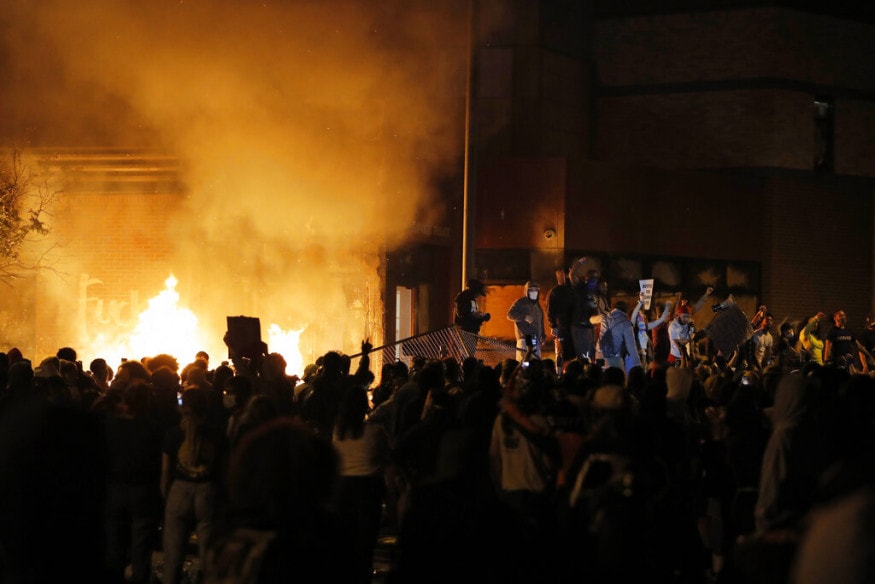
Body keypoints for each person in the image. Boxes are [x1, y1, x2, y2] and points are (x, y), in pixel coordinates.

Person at [506, 281, 546, 362]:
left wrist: (543, 335)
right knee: (524, 363)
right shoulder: (520, 302)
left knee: (536, 364)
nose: (534, 292)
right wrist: (524, 317)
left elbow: (540, 322)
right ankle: (523, 374)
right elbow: (509, 315)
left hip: (535, 340)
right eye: (531, 290)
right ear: (526, 291)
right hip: (524, 339)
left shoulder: (537, 306)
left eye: (536, 290)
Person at [599, 300, 642, 376]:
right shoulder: (626, 323)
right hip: (616, 357)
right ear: (625, 311)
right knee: (617, 382)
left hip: (601, 355)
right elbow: (631, 346)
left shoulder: (605, 319)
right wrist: (637, 363)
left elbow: (602, 337)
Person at [546, 267, 576, 373]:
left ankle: (567, 371)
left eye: (563, 274)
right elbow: (550, 310)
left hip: (569, 327)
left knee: (569, 353)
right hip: (561, 327)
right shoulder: (554, 292)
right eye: (559, 274)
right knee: (560, 352)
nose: (562, 277)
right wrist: (553, 326)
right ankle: (559, 372)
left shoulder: (570, 291)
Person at [630, 294, 672, 369]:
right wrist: (641, 302)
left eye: (643, 316)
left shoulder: (647, 327)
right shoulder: (633, 327)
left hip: (646, 358)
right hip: (637, 357)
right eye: (640, 317)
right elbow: (634, 315)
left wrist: (667, 307)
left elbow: (662, 319)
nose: (642, 318)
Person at [824, 309, 869, 374]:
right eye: (840, 315)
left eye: (844, 315)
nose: (843, 317)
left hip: (849, 362)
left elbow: (858, 345)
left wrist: (868, 355)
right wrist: (826, 362)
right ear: (835, 318)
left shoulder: (848, 331)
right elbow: (827, 348)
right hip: (838, 363)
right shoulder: (832, 331)